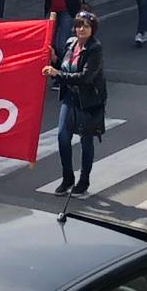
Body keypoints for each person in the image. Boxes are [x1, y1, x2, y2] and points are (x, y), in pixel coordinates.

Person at [42, 11, 107, 198]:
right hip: (70, 96)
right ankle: (67, 177)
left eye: (86, 26)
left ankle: (84, 180)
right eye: (79, 25)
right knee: (63, 136)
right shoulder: (71, 43)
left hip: (89, 100)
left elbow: (85, 77)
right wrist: (54, 57)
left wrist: (56, 74)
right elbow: (64, 64)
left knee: (86, 140)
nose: (81, 29)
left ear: (92, 29)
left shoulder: (95, 48)